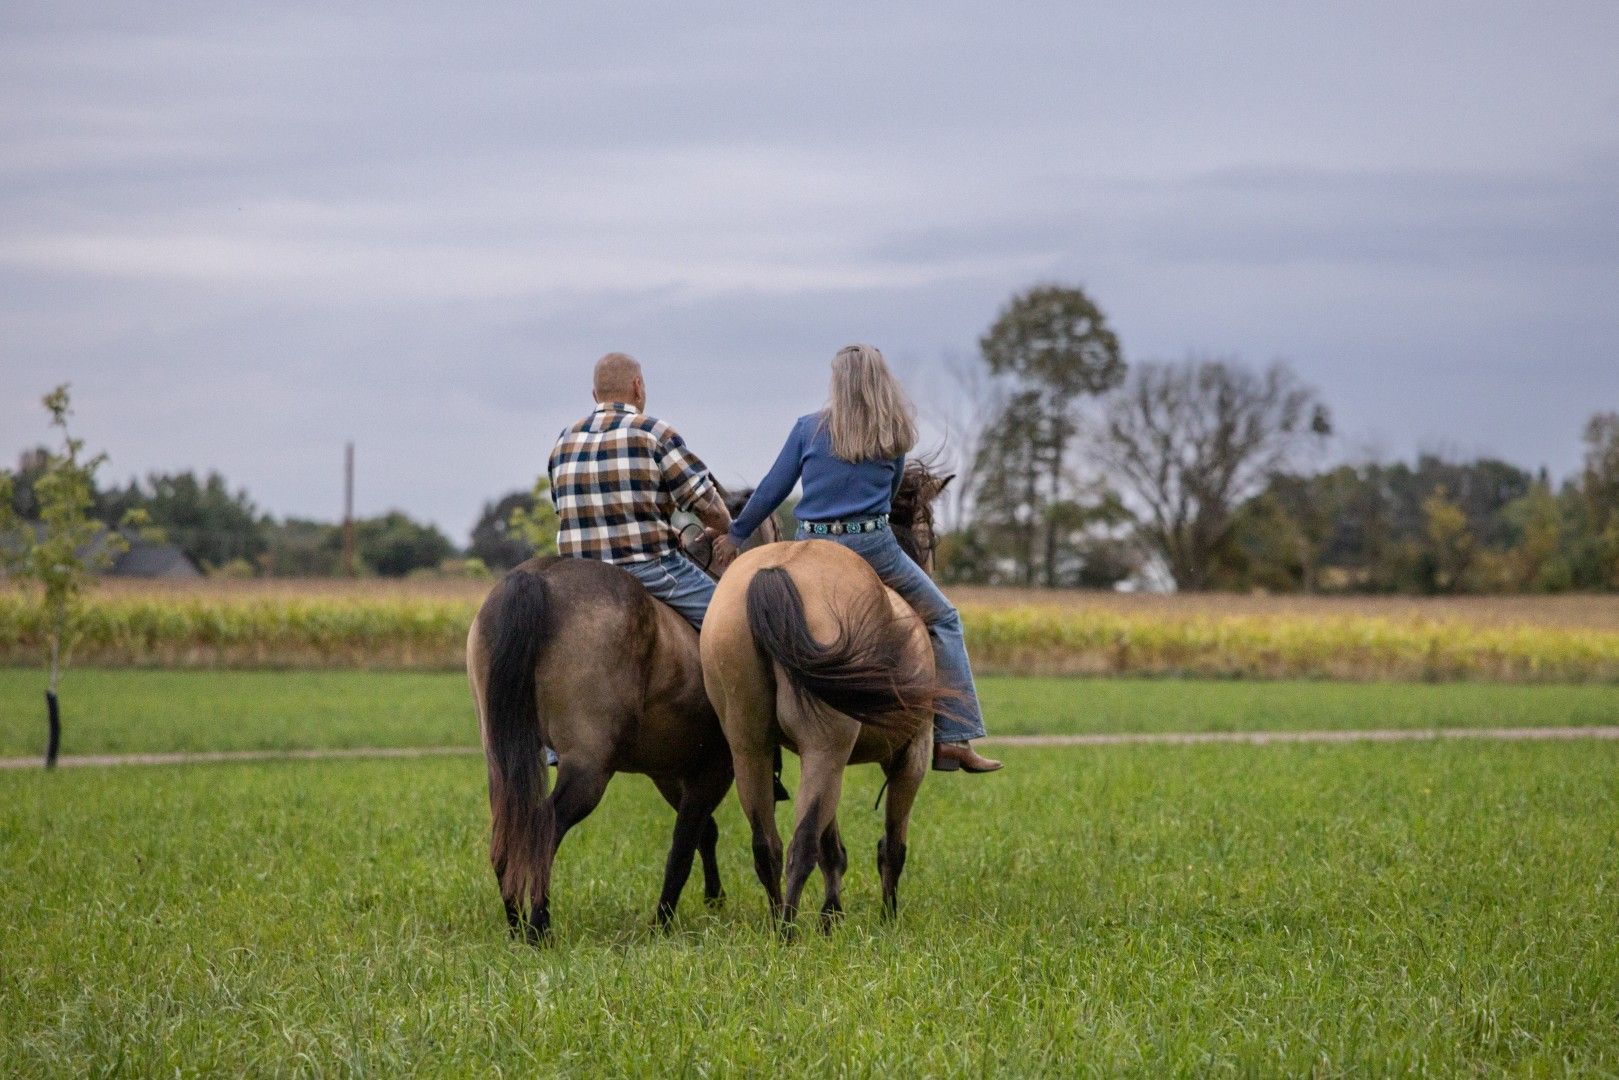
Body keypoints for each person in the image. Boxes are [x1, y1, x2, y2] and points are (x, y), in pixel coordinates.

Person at [728, 344, 1002, 774]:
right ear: (880, 380)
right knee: (946, 618)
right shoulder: (894, 433)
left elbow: (771, 490)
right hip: (872, 546)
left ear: (837, 382)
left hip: (811, 545)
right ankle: (954, 737)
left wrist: (737, 533)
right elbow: (891, 497)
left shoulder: (806, 428)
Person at [548, 352, 737, 629]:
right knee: (732, 624)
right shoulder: (653, 433)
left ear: (594, 395)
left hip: (576, 575)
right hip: (649, 570)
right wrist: (728, 528)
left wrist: (657, 528)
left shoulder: (564, 439)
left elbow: (569, 512)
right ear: (637, 386)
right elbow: (707, 506)